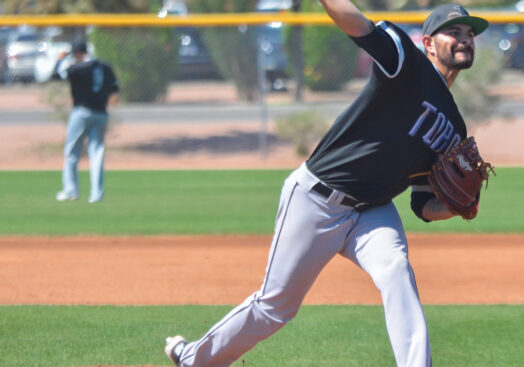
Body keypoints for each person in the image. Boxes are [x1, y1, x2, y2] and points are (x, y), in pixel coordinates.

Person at [164, 2, 488, 366]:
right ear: (429, 42)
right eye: (455, 32)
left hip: (373, 210)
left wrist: (460, 207)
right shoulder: (406, 63)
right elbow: (359, 26)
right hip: (317, 199)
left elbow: (422, 205)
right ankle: (193, 358)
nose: (465, 39)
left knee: (396, 269)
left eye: (470, 34)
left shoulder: (454, 129)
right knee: (276, 307)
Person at [54, 40, 119, 203]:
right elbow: (115, 88)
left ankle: (71, 191)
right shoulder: (105, 67)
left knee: (72, 152)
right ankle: (97, 194)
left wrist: (61, 59)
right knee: (97, 153)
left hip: (82, 112)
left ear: (76, 53)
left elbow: (58, 73)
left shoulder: (78, 67)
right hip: (101, 113)